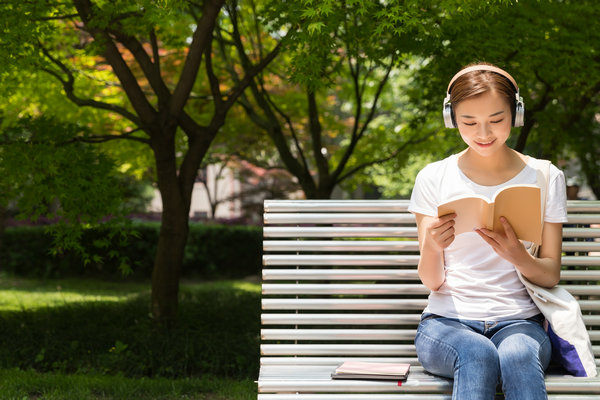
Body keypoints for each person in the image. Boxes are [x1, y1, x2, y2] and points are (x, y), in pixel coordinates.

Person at [408, 62, 568, 400]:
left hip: (520, 322)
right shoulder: (433, 178)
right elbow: (431, 281)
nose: (484, 133)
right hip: (445, 323)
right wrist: (433, 248)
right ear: (451, 118)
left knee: (518, 354)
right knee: (477, 354)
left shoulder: (546, 176)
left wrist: (518, 256)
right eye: (469, 122)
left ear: (517, 113)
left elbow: (551, 273)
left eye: (497, 120)